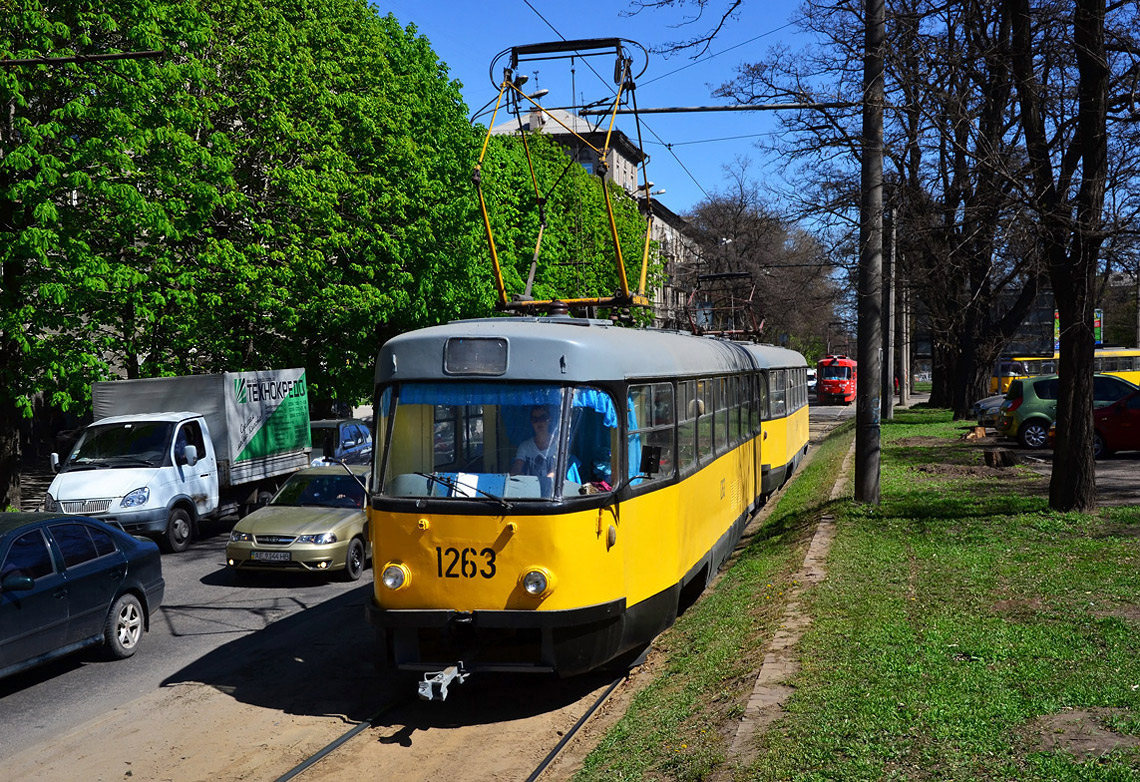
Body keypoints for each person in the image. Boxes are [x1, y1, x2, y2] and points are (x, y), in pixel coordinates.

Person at [510, 406, 557, 480]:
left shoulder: (559, 445)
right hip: (530, 488)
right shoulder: (525, 446)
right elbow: (517, 467)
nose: (539, 422)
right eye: (534, 419)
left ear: (549, 420)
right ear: (531, 423)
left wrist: (545, 482)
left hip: (554, 489)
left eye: (543, 418)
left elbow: (556, 471)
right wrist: (515, 473)